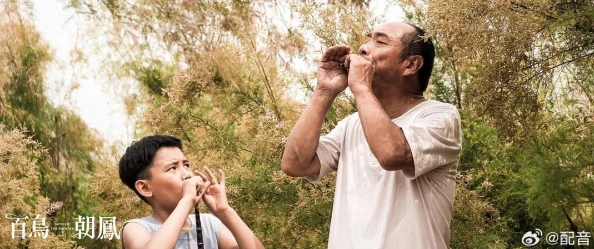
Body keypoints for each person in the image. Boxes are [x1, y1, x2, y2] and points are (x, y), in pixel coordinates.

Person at [281, 21, 462, 249]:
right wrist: (324, 91)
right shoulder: (351, 125)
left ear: (411, 65)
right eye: (368, 39)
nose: (364, 48)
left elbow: (391, 155)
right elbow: (294, 164)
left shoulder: (440, 116)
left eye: (380, 42)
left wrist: (361, 88)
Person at [118, 135, 264, 249]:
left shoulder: (209, 224)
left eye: (186, 165)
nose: (187, 174)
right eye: (172, 168)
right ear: (145, 188)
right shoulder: (137, 228)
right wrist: (187, 201)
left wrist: (225, 212)